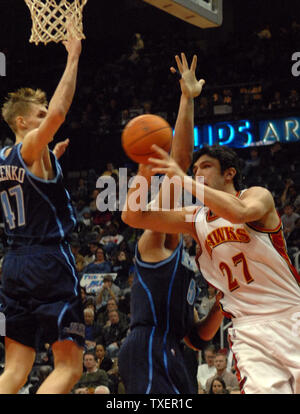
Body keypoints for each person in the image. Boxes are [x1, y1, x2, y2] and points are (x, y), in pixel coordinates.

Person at [124, 130, 300, 392]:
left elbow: (238, 213)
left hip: (290, 314)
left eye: (206, 166)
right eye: (195, 169)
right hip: (247, 329)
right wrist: (144, 169)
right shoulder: (195, 218)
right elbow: (133, 216)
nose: (198, 173)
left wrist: (184, 180)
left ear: (229, 173)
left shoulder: (255, 196)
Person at [119, 53, 223, 394]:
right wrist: (186, 99)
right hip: (148, 345)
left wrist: (223, 304)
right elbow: (178, 163)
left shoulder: (191, 261)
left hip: (177, 351)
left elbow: (198, 337)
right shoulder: (158, 241)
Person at [0, 24, 85, 394]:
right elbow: (61, 112)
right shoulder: (30, 146)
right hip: (48, 261)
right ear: (22, 122)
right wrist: (74, 55)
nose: (44, 119)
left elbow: (28, 188)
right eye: (39, 115)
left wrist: (51, 163)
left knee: (16, 368)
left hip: (12, 265)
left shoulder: (2, 158)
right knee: (69, 366)